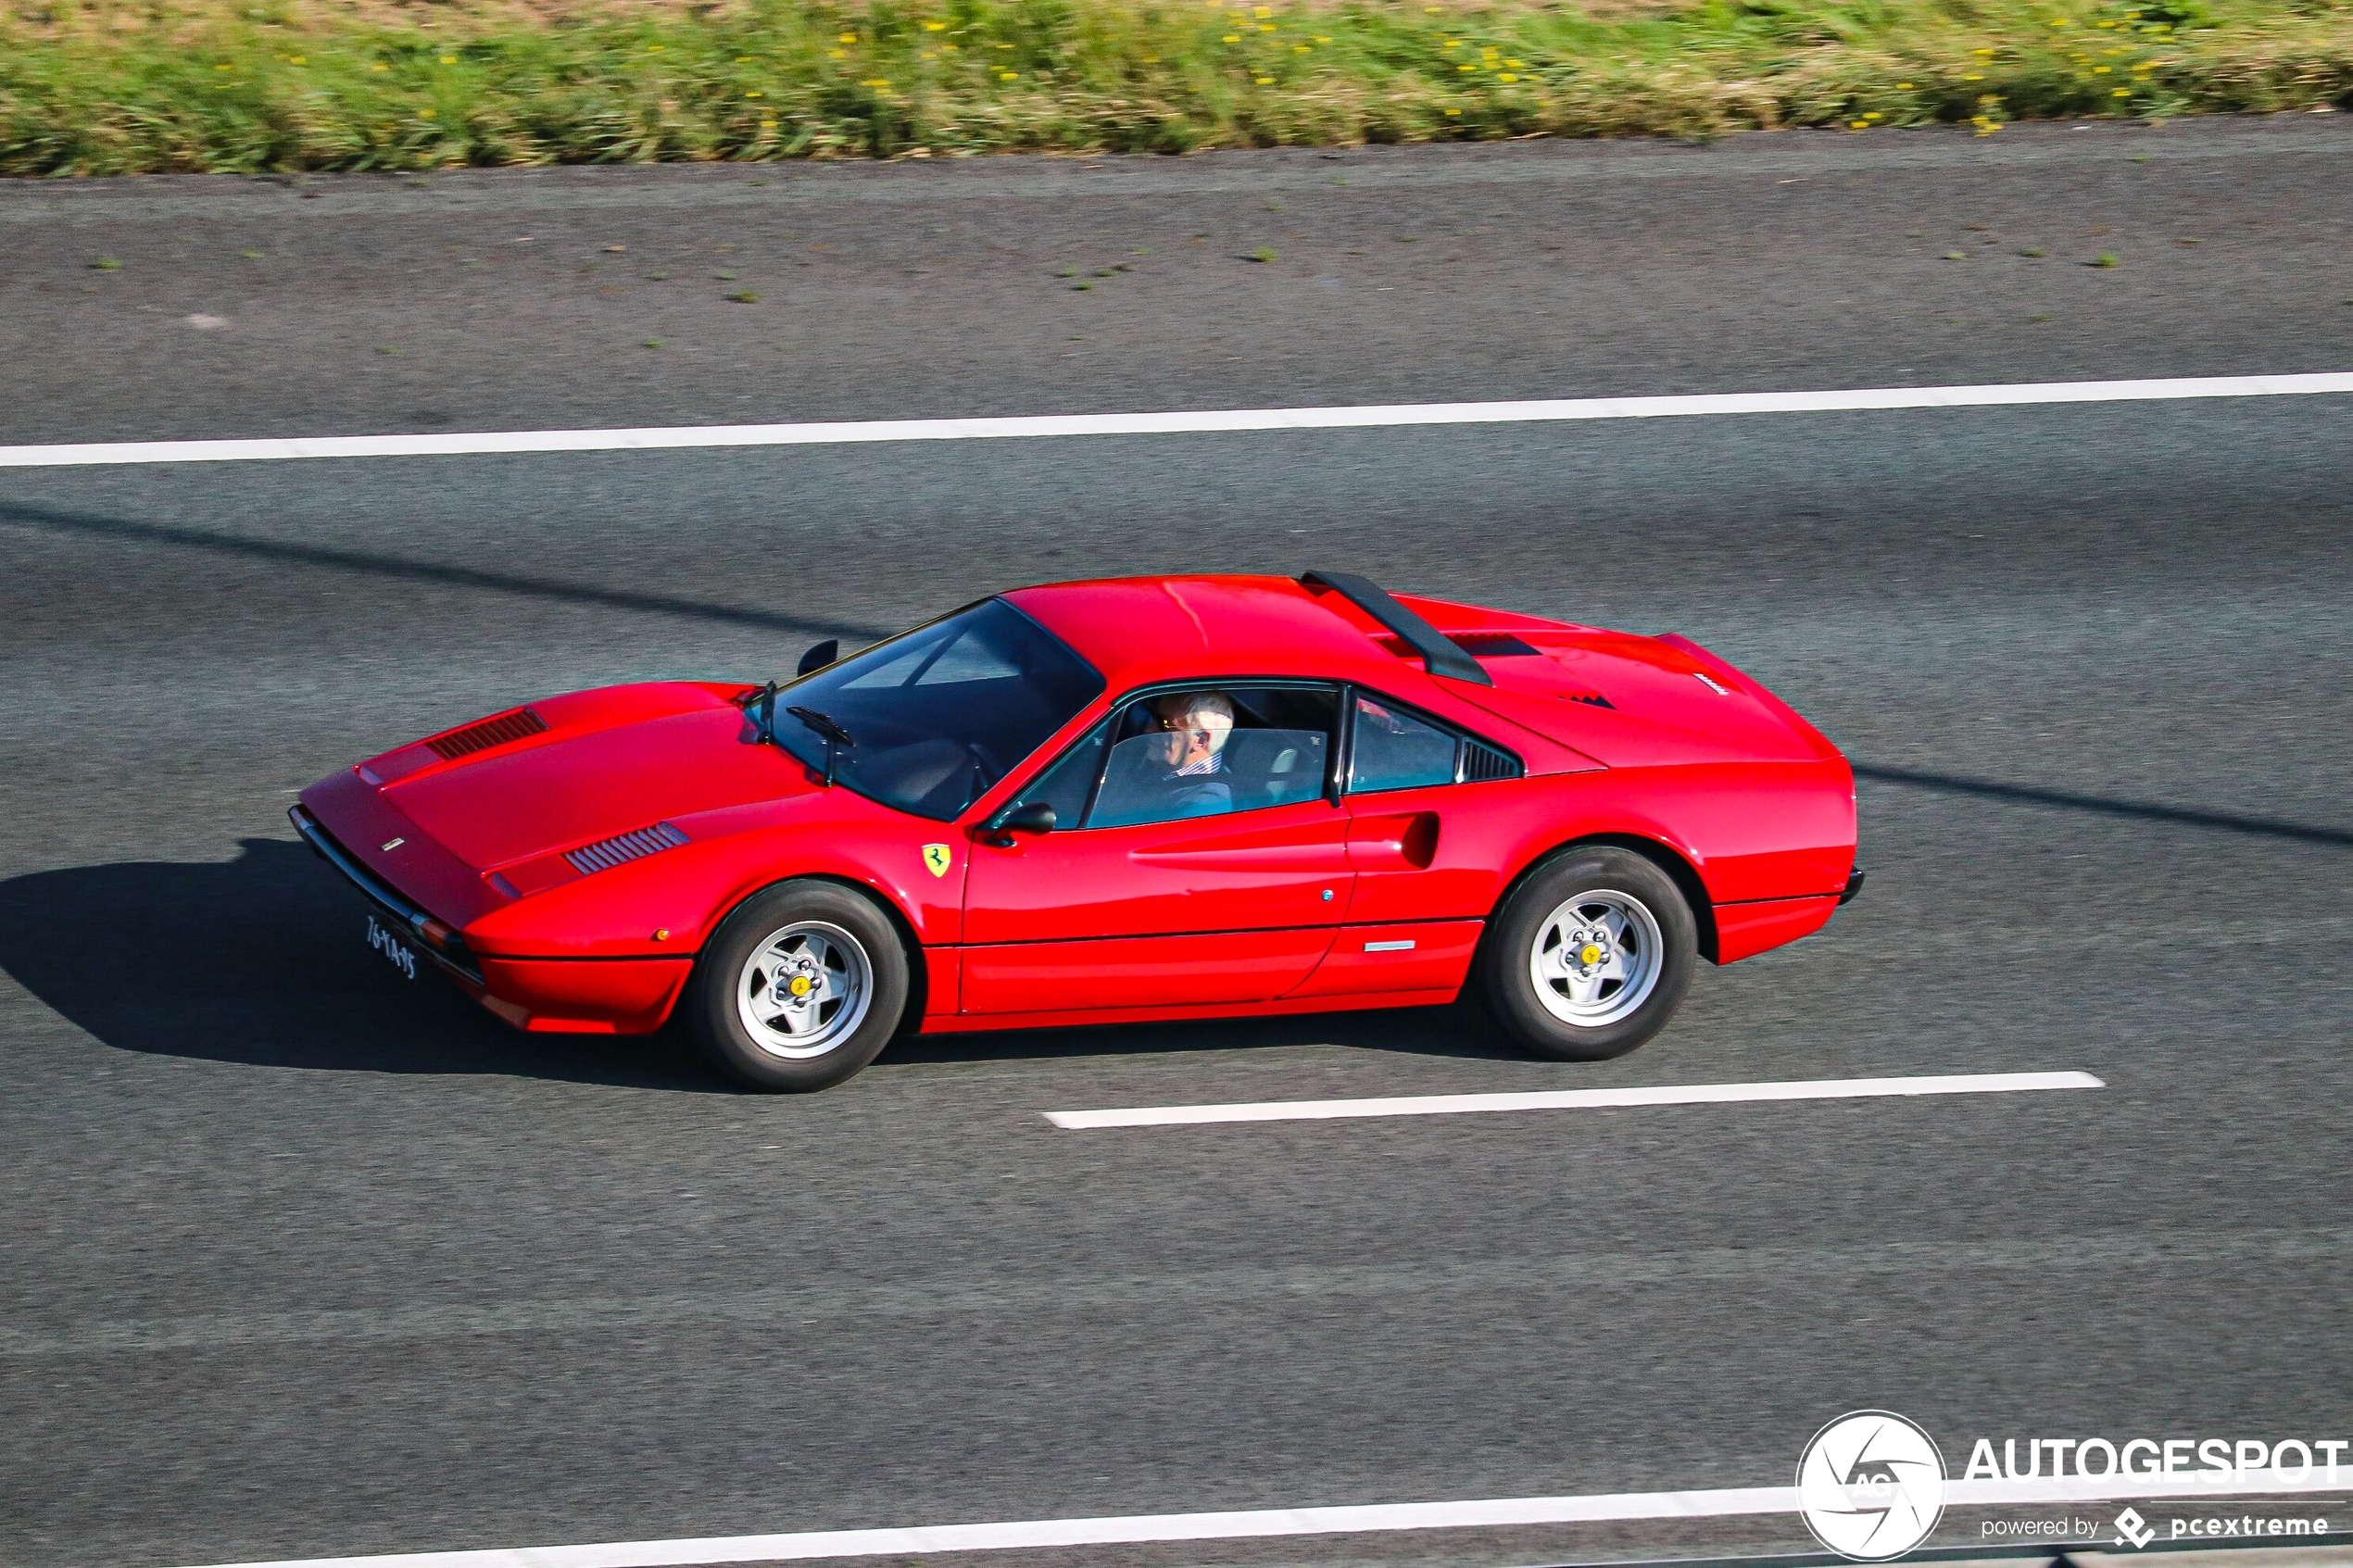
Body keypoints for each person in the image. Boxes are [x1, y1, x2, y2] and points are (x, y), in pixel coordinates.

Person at [1151, 691, 1235, 817]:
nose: (1149, 728)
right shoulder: (1163, 771)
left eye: (1164, 724)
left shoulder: (1206, 804)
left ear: (1200, 741)